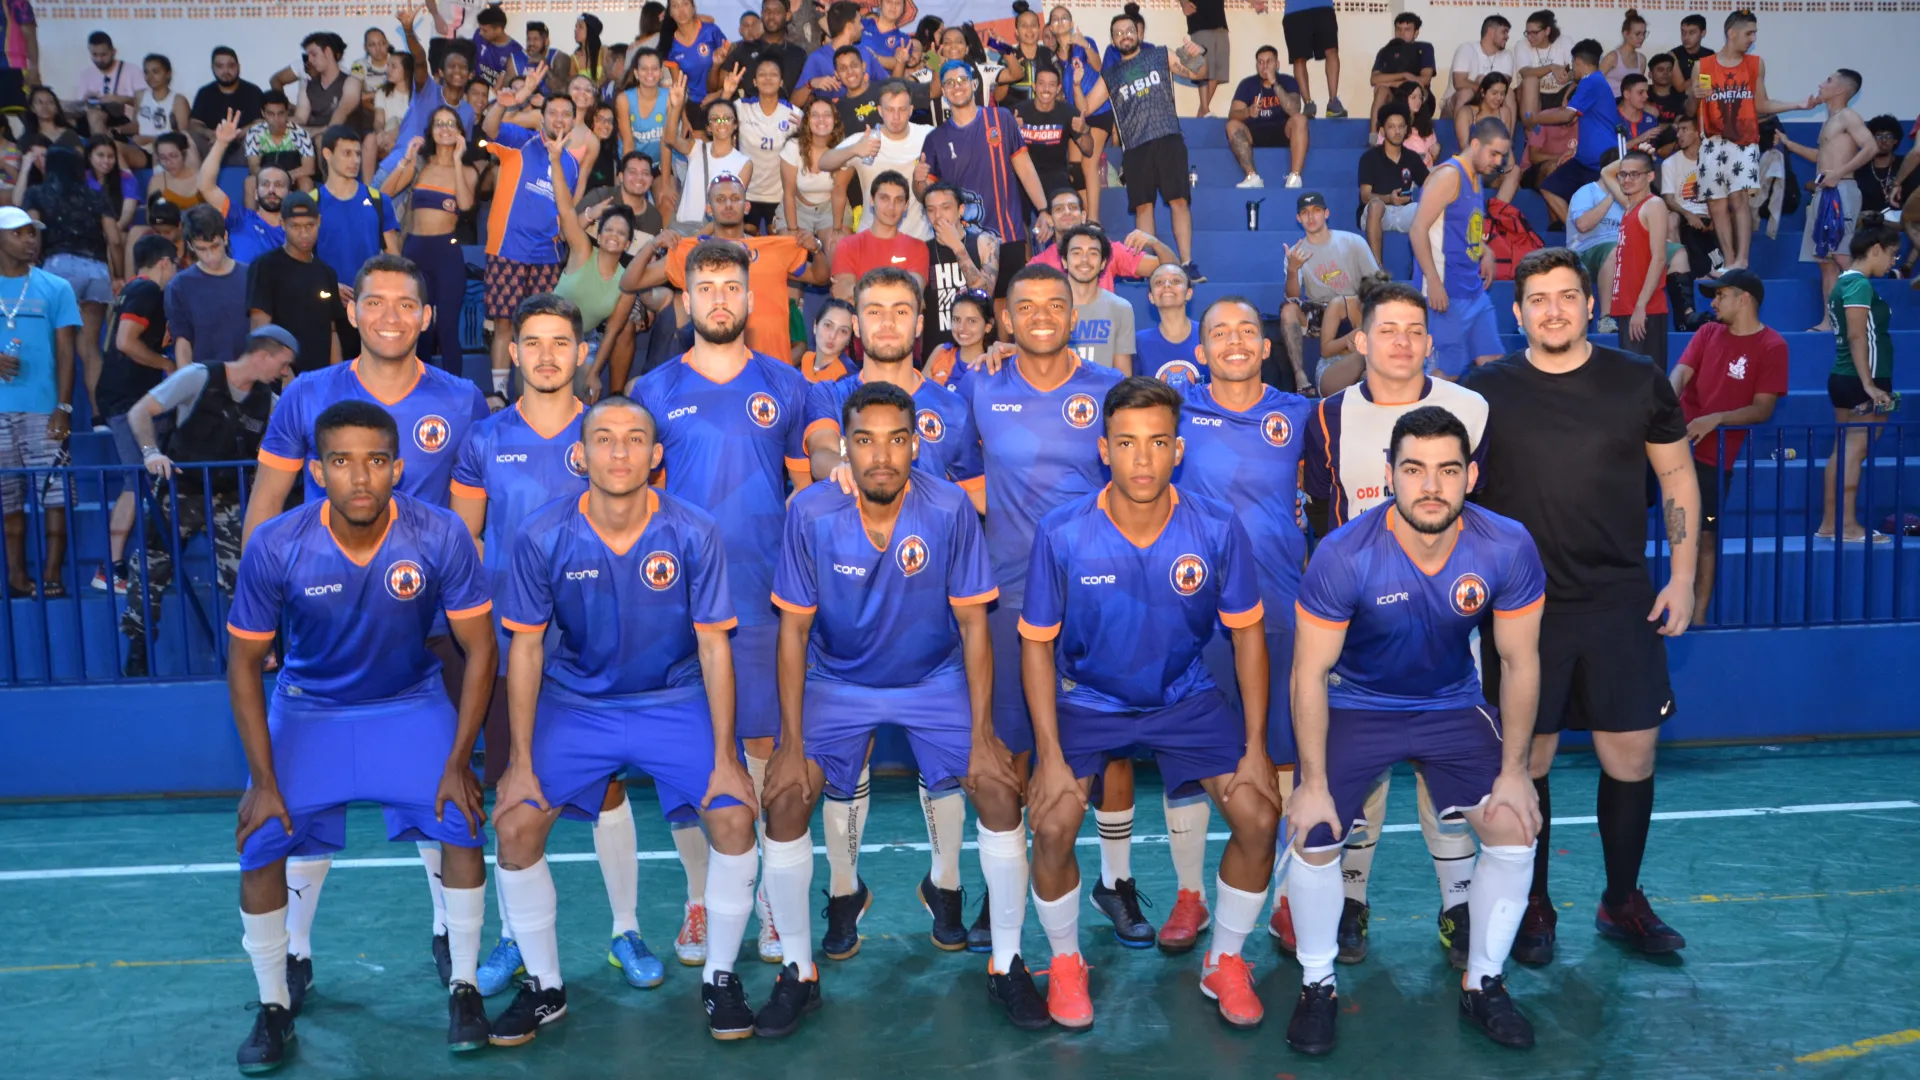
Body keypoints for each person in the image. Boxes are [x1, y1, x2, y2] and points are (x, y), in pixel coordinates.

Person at [224, 398, 497, 1072]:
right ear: (317, 471)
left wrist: (460, 759)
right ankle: (273, 1004)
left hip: (409, 704)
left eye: (376, 460)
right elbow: (243, 665)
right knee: (260, 839)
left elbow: (481, 648)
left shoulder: (439, 534)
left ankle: (465, 987)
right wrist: (263, 781)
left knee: (461, 822)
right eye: (341, 461)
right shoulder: (277, 543)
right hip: (309, 709)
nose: (360, 476)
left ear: (397, 468)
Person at [483, 385, 758, 1046]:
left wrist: (727, 757)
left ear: (656, 455)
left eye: (635, 440)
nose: (619, 453)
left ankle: (720, 977)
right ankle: (545, 987)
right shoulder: (543, 533)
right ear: (580, 455)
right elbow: (525, 649)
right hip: (578, 703)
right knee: (516, 825)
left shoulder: (693, 529)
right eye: (603, 439)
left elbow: (715, 647)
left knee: (732, 815)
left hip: (673, 699)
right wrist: (519, 762)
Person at [1464, 246, 1700, 969]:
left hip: (1618, 599)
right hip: (1520, 609)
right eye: (1538, 299)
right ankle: (1532, 901)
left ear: (1591, 306)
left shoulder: (1637, 380)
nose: (1554, 310)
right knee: (1526, 757)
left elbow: (1677, 478)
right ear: (1518, 312)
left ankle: (1620, 900)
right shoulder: (1485, 391)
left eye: (1568, 296)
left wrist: (1682, 577)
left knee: (1630, 756)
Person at [1284, 404, 1546, 1056]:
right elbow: (1308, 672)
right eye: (1414, 469)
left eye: (1448, 470)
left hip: (1449, 704)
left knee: (1515, 827)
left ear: (1471, 476)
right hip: (1358, 704)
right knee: (1314, 831)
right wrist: (1311, 782)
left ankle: (1482, 982)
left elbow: (1519, 662)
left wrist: (1516, 772)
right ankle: (1317, 984)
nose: (1431, 486)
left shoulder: (1506, 544)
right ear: (1389, 474)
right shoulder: (1344, 553)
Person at [1019, 374, 1278, 1030]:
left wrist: (1255, 747)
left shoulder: (1215, 527)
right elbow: (1037, 646)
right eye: (1127, 442)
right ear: (1104, 449)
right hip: (1089, 699)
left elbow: (1248, 636)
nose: (1142, 458)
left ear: (1178, 450)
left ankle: (1225, 960)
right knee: (1051, 824)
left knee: (1258, 815)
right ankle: (1066, 961)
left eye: (1158, 442)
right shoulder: (1062, 532)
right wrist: (1049, 754)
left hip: (1182, 696)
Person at [766, 388, 1017, 1034]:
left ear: (916, 444)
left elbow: (974, 625)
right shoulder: (811, 511)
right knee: (787, 796)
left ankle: (1009, 962)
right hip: (839, 679)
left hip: (933, 677)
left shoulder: (950, 507)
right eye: (866, 440)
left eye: (896, 439)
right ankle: (797, 970)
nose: (881, 455)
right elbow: (793, 632)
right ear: (844, 447)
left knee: (997, 787)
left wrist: (984, 733)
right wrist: (789, 743)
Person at [633, 240, 813, 965]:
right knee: (688, 752)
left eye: (730, 286)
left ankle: (765, 894)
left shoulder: (786, 384)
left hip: (762, 597)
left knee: (763, 748)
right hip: (674, 604)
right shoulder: (651, 390)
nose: (718, 298)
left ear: (749, 296)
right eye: (705, 287)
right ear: (686, 299)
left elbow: (811, 485)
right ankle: (701, 896)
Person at [1296, 282, 1489, 962]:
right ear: (1360, 341)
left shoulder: (1471, 408)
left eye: (1414, 330)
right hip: (1359, 634)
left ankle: (1459, 907)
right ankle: (1350, 903)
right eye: (1387, 329)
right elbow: (1323, 518)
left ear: (1430, 343)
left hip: (1451, 627)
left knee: (1450, 787)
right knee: (1359, 784)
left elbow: (1483, 516)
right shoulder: (1328, 417)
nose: (1401, 342)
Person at [952, 264, 1123, 942]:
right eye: (1028, 306)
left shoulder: (1109, 388)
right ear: (1006, 319)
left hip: (1098, 596)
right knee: (1012, 745)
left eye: (1057, 304)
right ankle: (1005, 886)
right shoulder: (980, 385)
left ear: (1074, 315)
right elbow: (960, 478)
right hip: (1010, 592)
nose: (1044, 316)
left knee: (1107, 744)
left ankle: (1115, 882)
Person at [1151, 297, 1312, 952]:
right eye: (1221, 333)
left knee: (1286, 756)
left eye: (1248, 330)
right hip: (1192, 616)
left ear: (1266, 347)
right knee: (1187, 761)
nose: (1236, 341)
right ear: (1201, 350)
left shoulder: (1299, 415)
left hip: (1280, 610)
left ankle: (1288, 900)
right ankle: (1189, 896)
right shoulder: (1174, 412)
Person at [118, 324, 296, 677]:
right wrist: (151, 452)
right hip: (180, 491)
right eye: (283, 363)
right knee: (150, 568)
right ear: (263, 356)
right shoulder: (198, 376)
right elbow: (139, 411)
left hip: (230, 496)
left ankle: (255, 653)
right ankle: (138, 651)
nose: (284, 372)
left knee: (246, 574)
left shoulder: (268, 402)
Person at [1670, 270, 1785, 618]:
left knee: (1705, 534)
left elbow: (1763, 409)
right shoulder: (1707, 332)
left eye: (1721, 295)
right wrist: (1666, 407)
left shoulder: (1773, 346)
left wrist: (1715, 419)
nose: (1713, 303)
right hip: (1675, 450)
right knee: (1678, 533)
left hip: (1714, 460)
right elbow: (1680, 373)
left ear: (1744, 298)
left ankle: (1698, 619)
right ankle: (1673, 607)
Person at [625, 175, 826, 362]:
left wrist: (816, 249)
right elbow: (630, 282)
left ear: (746, 206)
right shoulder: (693, 253)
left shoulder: (773, 250)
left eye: (735, 198)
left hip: (770, 367)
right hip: (717, 367)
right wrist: (652, 245)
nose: (728, 204)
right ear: (709, 209)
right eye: (720, 199)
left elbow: (821, 277)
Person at [1075, 17, 1207, 277]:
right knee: (1143, 206)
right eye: (1118, 33)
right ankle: (1149, 267)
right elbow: (1086, 108)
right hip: (1135, 148)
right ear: (1113, 41)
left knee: (1179, 201)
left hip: (1168, 138)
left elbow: (1198, 73)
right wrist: (1077, 85)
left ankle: (1186, 263)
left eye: (1129, 30)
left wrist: (1196, 55)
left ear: (1138, 33)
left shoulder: (1160, 54)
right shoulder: (1110, 75)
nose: (1124, 35)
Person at [918, 59, 1055, 302]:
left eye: (962, 80)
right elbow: (925, 194)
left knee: (1007, 305)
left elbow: (1025, 168)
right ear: (944, 92)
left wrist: (1043, 209)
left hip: (1007, 233)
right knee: (973, 307)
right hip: (963, 239)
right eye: (949, 83)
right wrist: (917, 181)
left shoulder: (1001, 119)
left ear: (974, 84)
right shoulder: (935, 139)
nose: (957, 86)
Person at [1693, 10, 1815, 274]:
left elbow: (1761, 104)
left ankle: (1742, 260)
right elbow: (1691, 108)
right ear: (1731, 33)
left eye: (1754, 33)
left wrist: (1797, 105)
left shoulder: (1755, 64)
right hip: (1712, 142)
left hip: (1744, 142)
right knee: (1716, 204)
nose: (1753, 38)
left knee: (1739, 199)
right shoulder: (1703, 66)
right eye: (1749, 33)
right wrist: (1694, 95)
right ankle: (1729, 261)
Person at [481, 82, 583, 396]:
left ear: (574, 121)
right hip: (507, 249)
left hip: (547, 256)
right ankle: (499, 395)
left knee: (541, 329)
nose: (559, 119)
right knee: (503, 324)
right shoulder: (520, 141)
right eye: (553, 113)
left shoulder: (572, 164)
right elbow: (489, 129)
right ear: (542, 118)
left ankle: (535, 393)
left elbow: (565, 211)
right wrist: (502, 104)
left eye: (566, 114)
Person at [0, 205, 79, 600]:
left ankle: (52, 575)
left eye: (32, 232)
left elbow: (67, 352)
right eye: (19, 233)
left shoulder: (56, 287)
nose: (29, 240)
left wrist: (63, 407)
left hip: (43, 408)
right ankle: (16, 576)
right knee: (8, 500)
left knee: (55, 496)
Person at [92, 234, 179, 595]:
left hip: (123, 395)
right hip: (127, 399)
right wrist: (166, 364)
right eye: (175, 265)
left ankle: (129, 564)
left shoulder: (130, 289)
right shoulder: (147, 291)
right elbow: (125, 341)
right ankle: (110, 567)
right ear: (165, 262)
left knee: (144, 480)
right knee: (136, 480)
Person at [1817, 225, 1900, 543]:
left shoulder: (1847, 282)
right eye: (1892, 254)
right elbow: (1856, 335)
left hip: (1849, 378)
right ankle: (1847, 526)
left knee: (1844, 451)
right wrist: (1869, 384)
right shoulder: (1857, 283)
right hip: (1863, 380)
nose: (1893, 262)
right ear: (1876, 249)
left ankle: (1831, 524)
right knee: (1853, 452)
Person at [17, 146, 115, 407]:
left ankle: (55, 412)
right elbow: (115, 239)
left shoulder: (37, 193)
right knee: (90, 348)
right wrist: (117, 274)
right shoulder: (96, 195)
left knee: (56, 346)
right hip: (96, 270)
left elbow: (32, 234)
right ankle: (99, 416)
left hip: (57, 270)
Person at [382, 105, 477, 374]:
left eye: (451, 123)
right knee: (419, 327)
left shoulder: (467, 171)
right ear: (431, 131)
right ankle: (419, 387)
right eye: (439, 123)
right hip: (415, 251)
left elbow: (465, 205)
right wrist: (406, 159)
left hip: (446, 253)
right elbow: (384, 194)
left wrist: (457, 160)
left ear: (460, 132)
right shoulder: (421, 165)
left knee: (447, 328)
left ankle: (454, 390)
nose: (445, 129)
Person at [1411, 118, 1508, 380]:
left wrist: (1485, 250)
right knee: (1446, 373)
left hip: (1472, 288)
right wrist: (1433, 281)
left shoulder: (1476, 177)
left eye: (1502, 155)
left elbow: (1461, 227)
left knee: (1493, 363)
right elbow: (1418, 229)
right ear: (1475, 144)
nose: (1498, 161)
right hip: (1446, 290)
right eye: (1494, 153)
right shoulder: (1449, 175)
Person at [1779, 71, 1874, 332]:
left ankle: (1865, 319)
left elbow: (1871, 147)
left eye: (1829, 81)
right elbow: (1820, 156)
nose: (1822, 84)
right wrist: (1789, 144)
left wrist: (1839, 173)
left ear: (1841, 90)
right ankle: (1829, 322)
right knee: (1826, 262)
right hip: (1826, 192)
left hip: (1841, 192)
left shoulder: (1848, 116)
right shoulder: (1830, 121)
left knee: (1842, 257)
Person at [1282, 192, 1378, 394]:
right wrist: (1292, 269)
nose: (1311, 217)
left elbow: (1377, 284)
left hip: (1351, 307)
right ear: (1298, 218)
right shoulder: (1296, 252)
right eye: (1305, 212)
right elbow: (1294, 298)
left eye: (1316, 210)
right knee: (1288, 310)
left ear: (1326, 213)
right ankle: (1300, 377)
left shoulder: (1352, 241)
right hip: (1318, 311)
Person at [1599, 152, 1689, 368]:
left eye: (1634, 174)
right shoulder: (1630, 206)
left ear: (1650, 176)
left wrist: (1641, 307)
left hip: (1644, 309)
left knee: (1646, 380)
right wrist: (1637, 150)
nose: (1626, 179)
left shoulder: (1653, 205)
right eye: (1623, 174)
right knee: (1632, 380)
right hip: (1627, 307)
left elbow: (1659, 258)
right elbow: (1605, 172)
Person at [243, 191, 343, 375]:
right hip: (280, 377)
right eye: (295, 226)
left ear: (319, 221)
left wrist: (336, 375)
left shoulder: (327, 273)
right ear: (282, 224)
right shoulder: (265, 266)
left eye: (309, 225)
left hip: (319, 377)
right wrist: (281, 374)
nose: (304, 233)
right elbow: (260, 329)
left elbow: (332, 331)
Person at [820, 79, 933, 241]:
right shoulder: (865, 140)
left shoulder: (928, 135)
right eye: (890, 109)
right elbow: (823, 162)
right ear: (880, 110)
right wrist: (854, 150)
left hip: (918, 238)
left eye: (902, 109)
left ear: (910, 110)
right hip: (871, 239)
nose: (896, 117)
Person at [1528, 38, 1617, 228]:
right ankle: (1577, 231)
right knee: (1549, 188)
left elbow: (1567, 115)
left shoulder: (1590, 81)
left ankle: (1585, 232)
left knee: (1597, 212)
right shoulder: (1597, 82)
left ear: (1577, 62)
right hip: (1583, 160)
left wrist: (1534, 119)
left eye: (1573, 65)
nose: (1573, 70)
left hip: (1600, 163)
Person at [313, 126, 401, 300]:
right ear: (327, 154)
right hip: (324, 300)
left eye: (358, 154)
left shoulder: (378, 201)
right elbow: (300, 258)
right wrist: (328, 284)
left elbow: (394, 258)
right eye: (347, 153)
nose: (355, 161)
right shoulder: (311, 203)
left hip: (369, 300)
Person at [1028, 187, 1171, 289]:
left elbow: (1171, 269)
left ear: (1083, 216)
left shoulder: (1107, 249)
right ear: (1050, 219)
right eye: (1059, 209)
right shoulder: (1039, 264)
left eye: (1073, 207)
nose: (1067, 212)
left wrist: (1156, 244)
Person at [199, 108, 289, 265]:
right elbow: (205, 186)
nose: (271, 190)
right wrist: (221, 143)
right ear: (255, 193)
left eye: (279, 185)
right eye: (265, 184)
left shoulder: (298, 232)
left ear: (290, 193)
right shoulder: (239, 218)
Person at [168, 204, 253, 369]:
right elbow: (182, 340)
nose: (210, 256)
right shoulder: (179, 286)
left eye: (215, 246)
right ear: (190, 246)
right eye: (202, 249)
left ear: (225, 237)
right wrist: (186, 380)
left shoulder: (251, 276)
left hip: (249, 375)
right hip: (205, 377)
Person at [665, 75, 752, 226]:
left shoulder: (744, 163)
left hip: (713, 234)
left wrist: (701, 235)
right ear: (708, 128)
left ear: (735, 125)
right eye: (715, 119)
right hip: (684, 229)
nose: (721, 123)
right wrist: (676, 108)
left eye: (727, 119)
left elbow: (732, 209)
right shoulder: (696, 148)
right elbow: (670, 139)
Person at [920, 181, 995, 355]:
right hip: (937, 349)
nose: (938, 216)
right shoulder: (922, 250)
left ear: (961, 209)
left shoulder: (985, 242)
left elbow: (985, 294)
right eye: (931, 210)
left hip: (979, 349)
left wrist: (957, 246)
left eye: (945, 207)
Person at [829, 169, 927, 300]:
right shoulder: (848, 245)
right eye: (884, 198)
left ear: (906, 205)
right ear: (871, 200)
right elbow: (844, 299)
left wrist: (854, 290)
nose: (891, 207)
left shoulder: (917, 248)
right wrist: (895, 292)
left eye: (898, 200)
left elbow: (912, 296)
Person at [1227, 44, 1308, 190]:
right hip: (1254, 132)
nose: (1264, 66)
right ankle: (1252, 177)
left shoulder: (1288, 81)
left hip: (1283, 130)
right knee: (1232, 125)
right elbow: (1233, 114)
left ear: (1277, 64)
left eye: (1269, 61)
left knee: (1300, 119)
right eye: (1260, 62)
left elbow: (1294, 109)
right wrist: (1248, 112)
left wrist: (1274, 84)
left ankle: (1295, 177)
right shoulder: (1247, 84)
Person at [734, 58, 799, 234]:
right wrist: (726, 93)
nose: (768, 78)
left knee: (776, 242)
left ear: (781, 81)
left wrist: (807, 130)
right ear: (754, 81)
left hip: (780, 195)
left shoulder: (794, 114)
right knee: (746, 240)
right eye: (762, 74)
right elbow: (717, 117)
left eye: (773, 74)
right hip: (747, 193)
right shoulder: (741, 107)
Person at [1358, 103, 1428, 264]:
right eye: (1391, 127)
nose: (1397, 131)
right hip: (1378, 214)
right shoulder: (1369, 158)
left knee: (1425, 209)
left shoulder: (1412, 158)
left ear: (1406, 129)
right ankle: (1376, 268)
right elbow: (1365, 196)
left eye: (1401, 126)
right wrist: (1389, 198)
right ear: (1382, 130)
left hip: (1404, 212)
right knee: (1376, 205)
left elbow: (1429, 184)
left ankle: (1423, 268)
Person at [1058, 225, 1134, 373]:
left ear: (1103, 263)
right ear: (1064, 261)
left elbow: (1123, 375)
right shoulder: (1048, 308)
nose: (1084, 260)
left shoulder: (1121, 308)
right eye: (1076, 253)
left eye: (1093, 253)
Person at [780, 97, 851, 240]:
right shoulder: (793, 146)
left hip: (831, 207)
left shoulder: (844, 149)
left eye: (827, 115)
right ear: (807, 121)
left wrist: (836, 229)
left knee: (837, 246)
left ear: (835, 120)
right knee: (791, 246)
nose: (821, 120)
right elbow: (789, 193)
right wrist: (793, 230)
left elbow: (839, 192)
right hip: (798, 207)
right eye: (815, 115)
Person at [1010, 65, 1084, 202]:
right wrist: (1011, 131)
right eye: (1041, 83)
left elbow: (1088, 149)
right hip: (1023, 176)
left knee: (1066, 202)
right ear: (1034, 86)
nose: (1046, 89)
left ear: (1058, 88)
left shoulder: (1068, 112)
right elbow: (1000, 149)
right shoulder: (1016, 112)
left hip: (1056, 176)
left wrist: (1084, 130)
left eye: (1051, 85)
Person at [796, 2, 891, 108]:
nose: (862, 27)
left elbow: (889, 85)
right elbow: (794, 103)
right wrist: (810, 84)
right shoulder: (817, 59)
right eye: (859, 22)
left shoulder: (865, 53)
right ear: (849, 26)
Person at [1662, 114, 1719, 282]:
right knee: (1675, 221)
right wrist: (1688, 215)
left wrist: (1715, 216)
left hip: (1709, 213)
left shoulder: (1712, 161)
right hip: (1683, 214)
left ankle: (1721, 266)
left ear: (1697, 132)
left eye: (1684, 129)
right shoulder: (1670, 163)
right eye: (1678, 130)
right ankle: (1679, 271)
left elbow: (1720, 195)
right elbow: (1668, 199)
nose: (1678, 134)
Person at [190, 46, 266, 166]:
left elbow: (260, 122)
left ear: (238, 67)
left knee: (258, 134)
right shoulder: (205, 93)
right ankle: (198, 176)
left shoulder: (252, 91)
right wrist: (209, 133)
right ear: (212, 68)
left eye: (231, 66)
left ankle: (253, 173)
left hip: (242, 144)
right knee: (188, 136)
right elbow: (194, 123)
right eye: (219, 66)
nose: (225, 71)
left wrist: (233, 135)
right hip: (212, 144)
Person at [1367, 12, 1434, 139]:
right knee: (1381, 90)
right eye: (1398, 29)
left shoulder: (1424, 49)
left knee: (1416, 91)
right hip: (1394, 97)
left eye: (1407, 30)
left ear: (1416, 32)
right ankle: (1373, 137)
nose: (1402, 33)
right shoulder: (1385, 51)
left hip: (1419, 98)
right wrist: (1405, 75)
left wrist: (1391, 82)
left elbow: (1424, 80)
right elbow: (1374, 79)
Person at [242, 90, 317, 197]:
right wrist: (272, 178)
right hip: (266, 176)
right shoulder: (254, 133)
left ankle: (302, 208)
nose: (276, 119)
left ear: (287, 113)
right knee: (250, 182)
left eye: (280, 113)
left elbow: (309, 168)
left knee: (306, 182)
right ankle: (252, 210)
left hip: (292, 177)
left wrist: (285, 177)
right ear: (263, 113)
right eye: (271, 114)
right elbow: (254, 167)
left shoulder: (300, 133)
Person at [1135, 263, 1200, 385]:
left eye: (1176, 281)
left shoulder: (1207, 335)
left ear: (1189, 293)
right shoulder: (1139, 342)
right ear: (1151, 297)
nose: (1167, 285)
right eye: (1158, 282)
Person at [127, 53, 191, 171]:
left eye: (155, 72)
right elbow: (136, 124)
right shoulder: (140, 95)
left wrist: (150, 139)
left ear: (168, 74)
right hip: (141, 150)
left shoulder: (178, 100)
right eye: (146, 72)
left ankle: (160, 180)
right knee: (114, 147)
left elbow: (183, 136)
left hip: (164, 149)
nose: (150, 77)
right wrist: (119, 130)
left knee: (160, 149)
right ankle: (128, 181)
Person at [292, 32, 362, 136]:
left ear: (328, 52)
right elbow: (300, 118)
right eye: (308, 56)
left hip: (342, 138)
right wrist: (280, 121)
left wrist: (318, 132)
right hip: (313, 137)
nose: (310, 60)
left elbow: (342, 112)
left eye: (314, 55)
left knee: (321, 139)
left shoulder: (351, 82)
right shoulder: (307, 86)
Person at [1511, 10, 1571, 130]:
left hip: (1560, 93)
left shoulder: (1564, 41)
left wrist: (1568, 76)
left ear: (1547, 31)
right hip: (1535, 95)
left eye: (1534, 33)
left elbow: (1576, 70)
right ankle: (1531, 133)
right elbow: (1525, 72)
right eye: (1527, 33)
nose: (1530, 37)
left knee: (1579, 83)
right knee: (1530, 80)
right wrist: (1551, 67)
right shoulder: (1522, 45)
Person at [1282, 0, 1343, 118]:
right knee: (1299, 58)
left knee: (1332, 50)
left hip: (1323, 6)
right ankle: (1308, 103)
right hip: (1295, 10)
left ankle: (1333, 102)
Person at [1445, 16, 1512, 119]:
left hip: (1490, 103)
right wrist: (1482, 87)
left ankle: (1506, 130)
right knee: (1466, 93)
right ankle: (1461, 128)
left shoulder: (1507, 55)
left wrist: (1483, 84)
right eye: (1504, 32)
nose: (1507, 36)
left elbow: (1504, 85)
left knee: (1509, 94)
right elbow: (1459, 82)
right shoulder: (1467, 48)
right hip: (1455, 105)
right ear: (1491, 31)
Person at [924, 289, 993, 387]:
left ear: (988, 327)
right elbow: (918, 394)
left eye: (972, 321)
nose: (962, 328)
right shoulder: (941, 352)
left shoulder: (994, 364)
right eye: (956, 319)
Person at [462, 1, 530, 87]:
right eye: (480, 28)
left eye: (485, 30)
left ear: (498, 30)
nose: (480, 33)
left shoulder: (516, 51)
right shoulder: (478, 36)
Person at [799, 297, 854, 382]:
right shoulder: (807, 359)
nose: (832, 336)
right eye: (828, 325)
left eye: (843, 331)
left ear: (849, 340)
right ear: (815, 326)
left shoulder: (848, 377)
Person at [1599, 10, 1649, 97]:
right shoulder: (1613, 57)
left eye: (1644, 33)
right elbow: (1595, 82)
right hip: (1610, 101)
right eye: (1637, 34)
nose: (1642, 37)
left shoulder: (1642, 59)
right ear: (1626, 34)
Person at [1668, 12, 1713, 86]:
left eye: (1691, 33)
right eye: (1683, 32)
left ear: (1703, 33)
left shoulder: (1710, 55)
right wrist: (1701, 75)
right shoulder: (1673, 55)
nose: (1686, 37)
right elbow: (1680, 87)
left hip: (1704, 91)